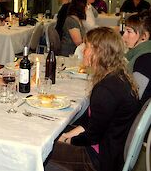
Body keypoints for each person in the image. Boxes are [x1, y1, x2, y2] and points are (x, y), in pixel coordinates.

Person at [45, 27, 139, 171]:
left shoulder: (106, 90)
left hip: (98, 159)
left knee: (42, 151)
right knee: (53, 134)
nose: (83, 51)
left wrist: (67, 141)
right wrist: (66, 135)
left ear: (99, 52)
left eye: (87, 47)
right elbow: (91, 120)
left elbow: (91, 137)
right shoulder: (117, 76)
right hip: (108, 146)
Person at [123, 10, 151, 106]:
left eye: (129, 32)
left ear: (144, 36)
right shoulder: (139, 54)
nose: (124, 36)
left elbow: (135, 97)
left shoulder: (144, 60)